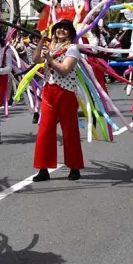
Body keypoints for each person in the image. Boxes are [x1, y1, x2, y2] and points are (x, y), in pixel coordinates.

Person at [32, 20, 84, 182]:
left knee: (70, 131)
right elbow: (35, 60)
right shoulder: (50, 48)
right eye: (58, 28)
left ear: (70, 33)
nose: (61, 30)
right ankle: (43, 169)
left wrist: (49, 58)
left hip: (66, 93)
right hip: (48, 92)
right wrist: (41, 43)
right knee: (45, 131)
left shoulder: (73, 49)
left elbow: (64, 69)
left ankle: (74, 167)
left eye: (65, 29)